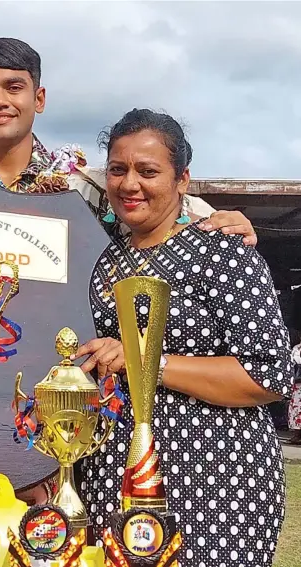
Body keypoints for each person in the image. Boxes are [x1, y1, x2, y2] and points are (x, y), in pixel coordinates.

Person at [72, 108, 293, 566]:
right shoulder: (105, 261)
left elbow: (269, 374)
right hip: (113, 472)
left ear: (182, 180)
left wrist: (146, 361)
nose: (129, 184)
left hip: (214, 478)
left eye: (148, 171)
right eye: (118, 169)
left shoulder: (223, 252)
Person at [0, 38, 258, 247]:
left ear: (38, 99)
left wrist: (222, 221)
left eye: (14, 87)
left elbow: (161, 203)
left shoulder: (86, 187)